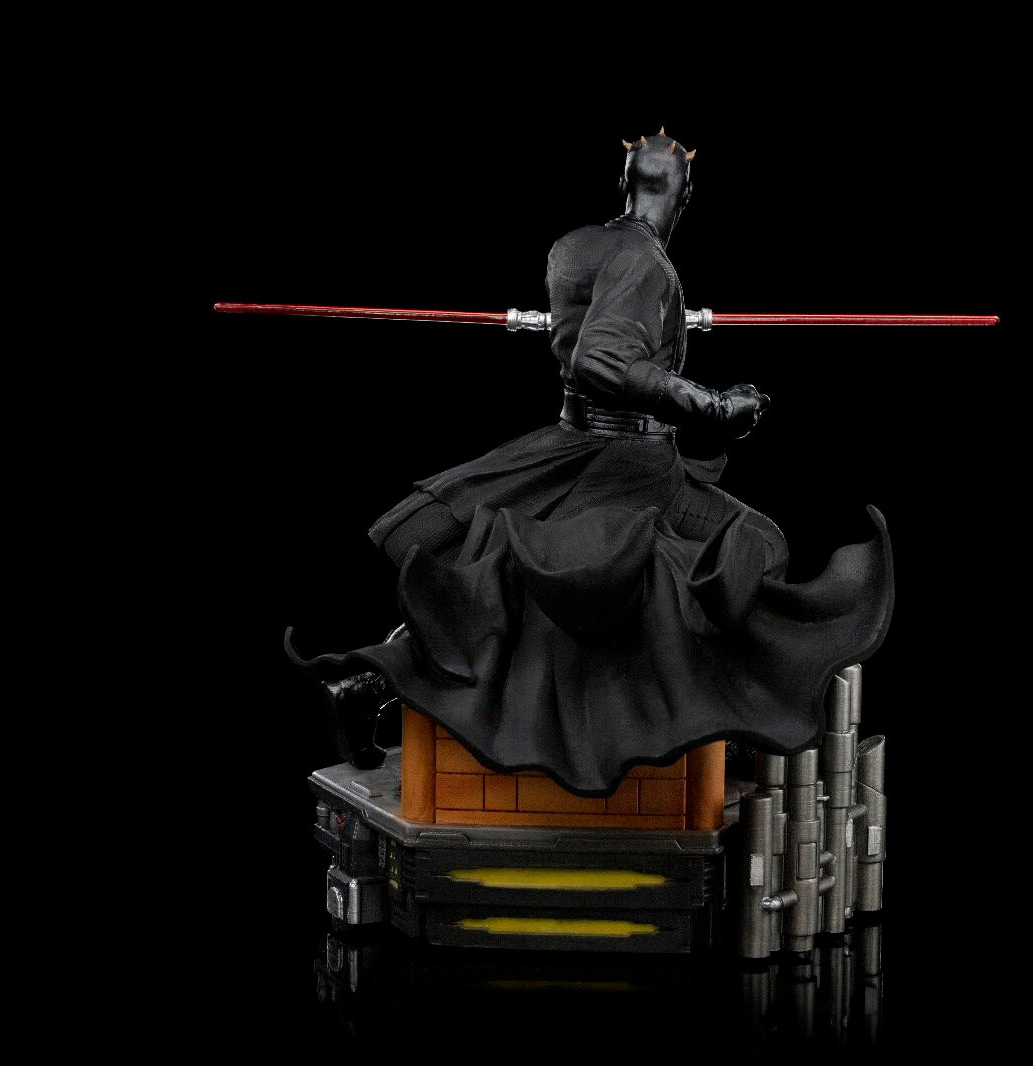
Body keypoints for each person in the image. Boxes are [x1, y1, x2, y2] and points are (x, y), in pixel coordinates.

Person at [286, 129, 893, 795]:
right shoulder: (647, 265)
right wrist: (715, 405)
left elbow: (594, 342)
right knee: (752, 551)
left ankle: (369, 683)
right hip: (624, 464)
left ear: (625, 184)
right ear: (687, 193)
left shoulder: (576, 246)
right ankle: (713, 719)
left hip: (583, 444)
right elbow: (600, 360)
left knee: (521, 573)